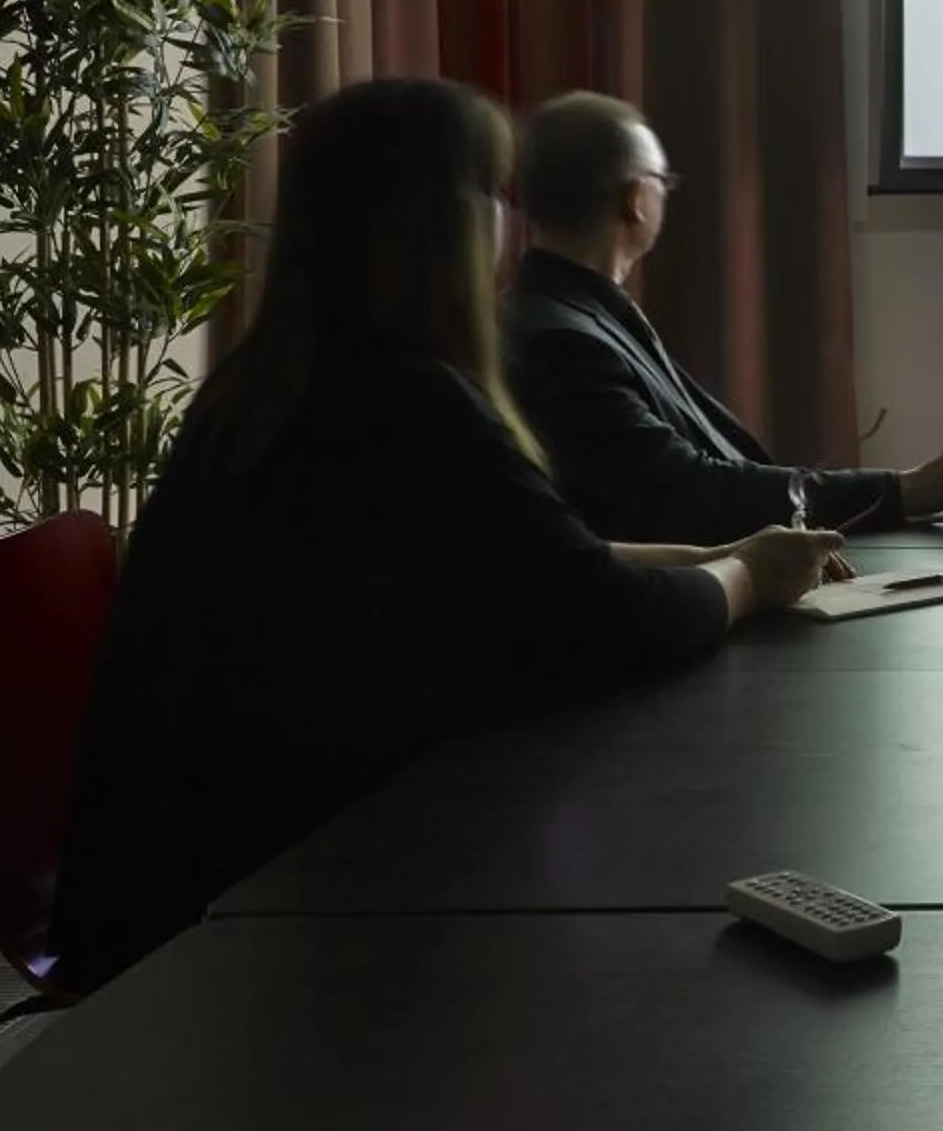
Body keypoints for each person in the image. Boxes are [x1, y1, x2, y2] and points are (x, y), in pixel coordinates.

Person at [52, 80, 850, 984]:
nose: (509, 229)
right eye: (493, 197)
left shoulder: (270, 389)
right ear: (441, 224)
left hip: (189, 860)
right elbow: (602, 616)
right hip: (284, 902)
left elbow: (525, 560)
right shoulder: (405, 404)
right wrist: (748, 580)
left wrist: (718, 559)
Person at [502, 93, 943, 543]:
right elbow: (687, 492)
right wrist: (899, 490)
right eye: (663, 181)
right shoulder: (563, 340)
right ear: (636, 200)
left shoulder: (576, 311)